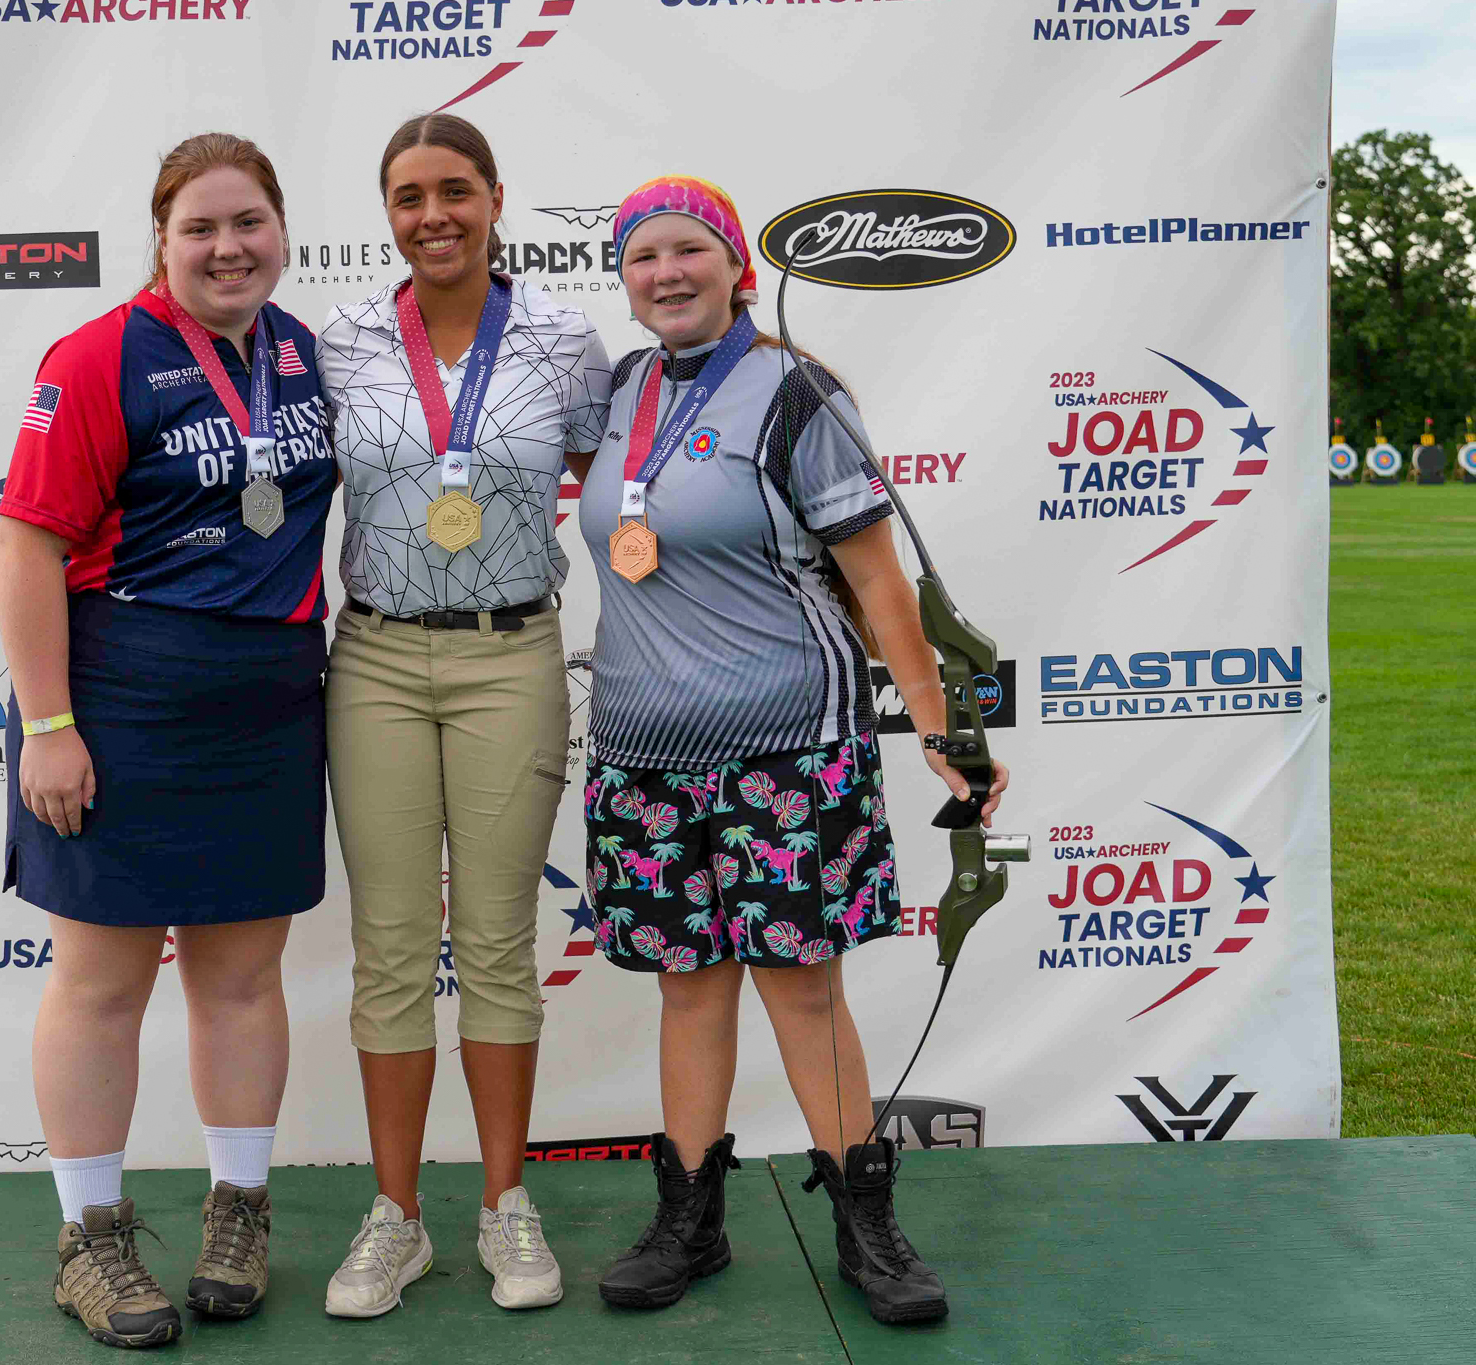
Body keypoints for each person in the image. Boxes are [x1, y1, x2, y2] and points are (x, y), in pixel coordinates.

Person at [573, 176, 1010, 1324]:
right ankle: (690, 1220)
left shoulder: (796, 393)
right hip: (640, 754)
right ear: (622, 281)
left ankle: (864, 1225)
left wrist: (938, 730)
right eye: (640, 258)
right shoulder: (618, 393)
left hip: (787, 752)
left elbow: (875, 578)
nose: (663, 273)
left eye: (686, 251)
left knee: (802, 994)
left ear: (735, 268)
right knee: (686, 991)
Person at [0, 132, 338, 1349]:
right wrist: (47, 726)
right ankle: (89, 1240)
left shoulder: (304, 353)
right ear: (159, 238)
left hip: (268, 700)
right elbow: (28, 545)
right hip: (124, 696)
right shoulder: (96, 357)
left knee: (241, 979)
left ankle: (237, 1214)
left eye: (247, 222)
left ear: (281, 227)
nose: (227, 246)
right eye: (199, 227)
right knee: (100, 987)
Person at [314, 112, 612, 1317]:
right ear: (385, 214)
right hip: (374, 661)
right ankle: (396, 1218)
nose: (430, 215)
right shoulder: (337, 342)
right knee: (390, 945)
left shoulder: (561, 339)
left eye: (452, 190)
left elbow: (630, 487)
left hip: (511, 655)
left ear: (495, 197)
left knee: (494, 941)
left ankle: (504, 1205)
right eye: (405, 197)